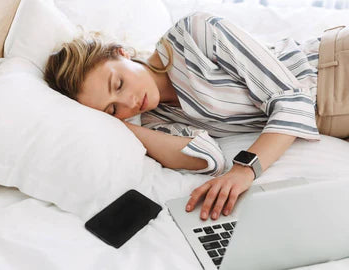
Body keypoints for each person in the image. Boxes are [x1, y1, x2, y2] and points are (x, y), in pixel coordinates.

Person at [43, 12, 349, 221]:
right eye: (112, 108)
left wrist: (244, 170)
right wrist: (123, 127)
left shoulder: (194, 34)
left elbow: (291, 100)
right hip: (333, 121)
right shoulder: (155, 121)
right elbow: (205, 158)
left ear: (122, 53)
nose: (128, 102)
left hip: (334, 69)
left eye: (118, 84)